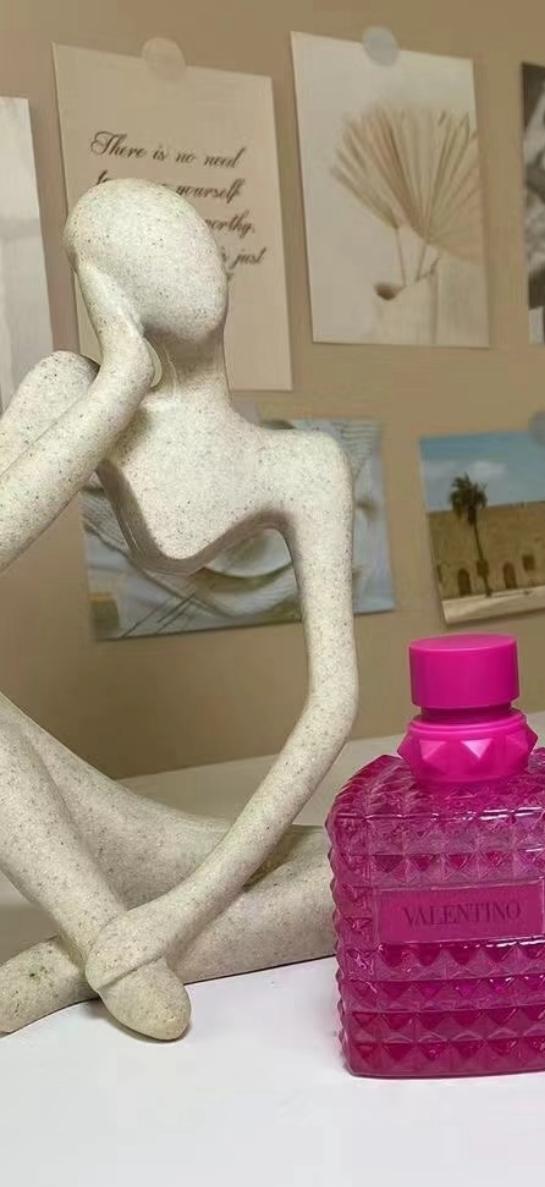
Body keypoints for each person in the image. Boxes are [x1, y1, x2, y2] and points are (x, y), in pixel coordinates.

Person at [0, 179, 356, 1039]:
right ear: (103, 292)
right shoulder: (71, 392)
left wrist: (178, 912)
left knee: (363, 873)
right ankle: (96, 930)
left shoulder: (304, 465)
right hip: (93, 824)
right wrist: (119, 384)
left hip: (185, 853)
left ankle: (79, 960)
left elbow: (334, 704)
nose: (186, 269)